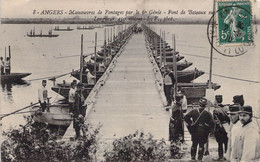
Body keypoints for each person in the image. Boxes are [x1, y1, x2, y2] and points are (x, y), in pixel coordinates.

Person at [213, 95, 230, 161]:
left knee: (220, 144)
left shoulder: (215, 110)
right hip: (227, 128)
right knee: (226, 143)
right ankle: (226, 156)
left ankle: (220, 157)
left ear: (216, 100)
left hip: (219, 129)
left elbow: (216, 121)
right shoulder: (226, 108)